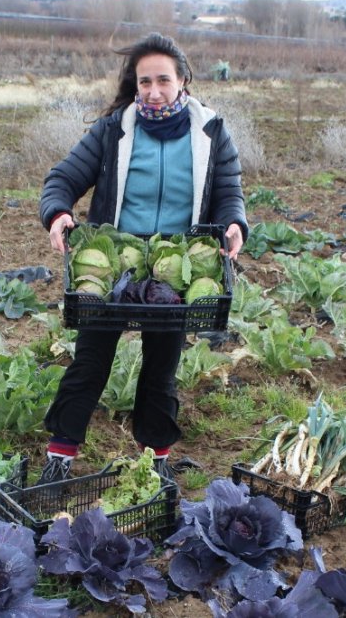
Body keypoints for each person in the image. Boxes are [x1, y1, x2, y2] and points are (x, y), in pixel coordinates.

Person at [37, 32, 248, 485]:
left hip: (174, 269)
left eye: (163, 80)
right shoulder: (113, 129)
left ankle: (155, 459)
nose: (153, 91)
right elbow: (63, 179)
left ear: (183, 80)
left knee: (161, 365)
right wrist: (57, 214)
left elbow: (229, 193)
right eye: (144, 82)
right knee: (91, 360)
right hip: (116, 263)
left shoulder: (211, 132)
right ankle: (60, 455)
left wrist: (234, 224)